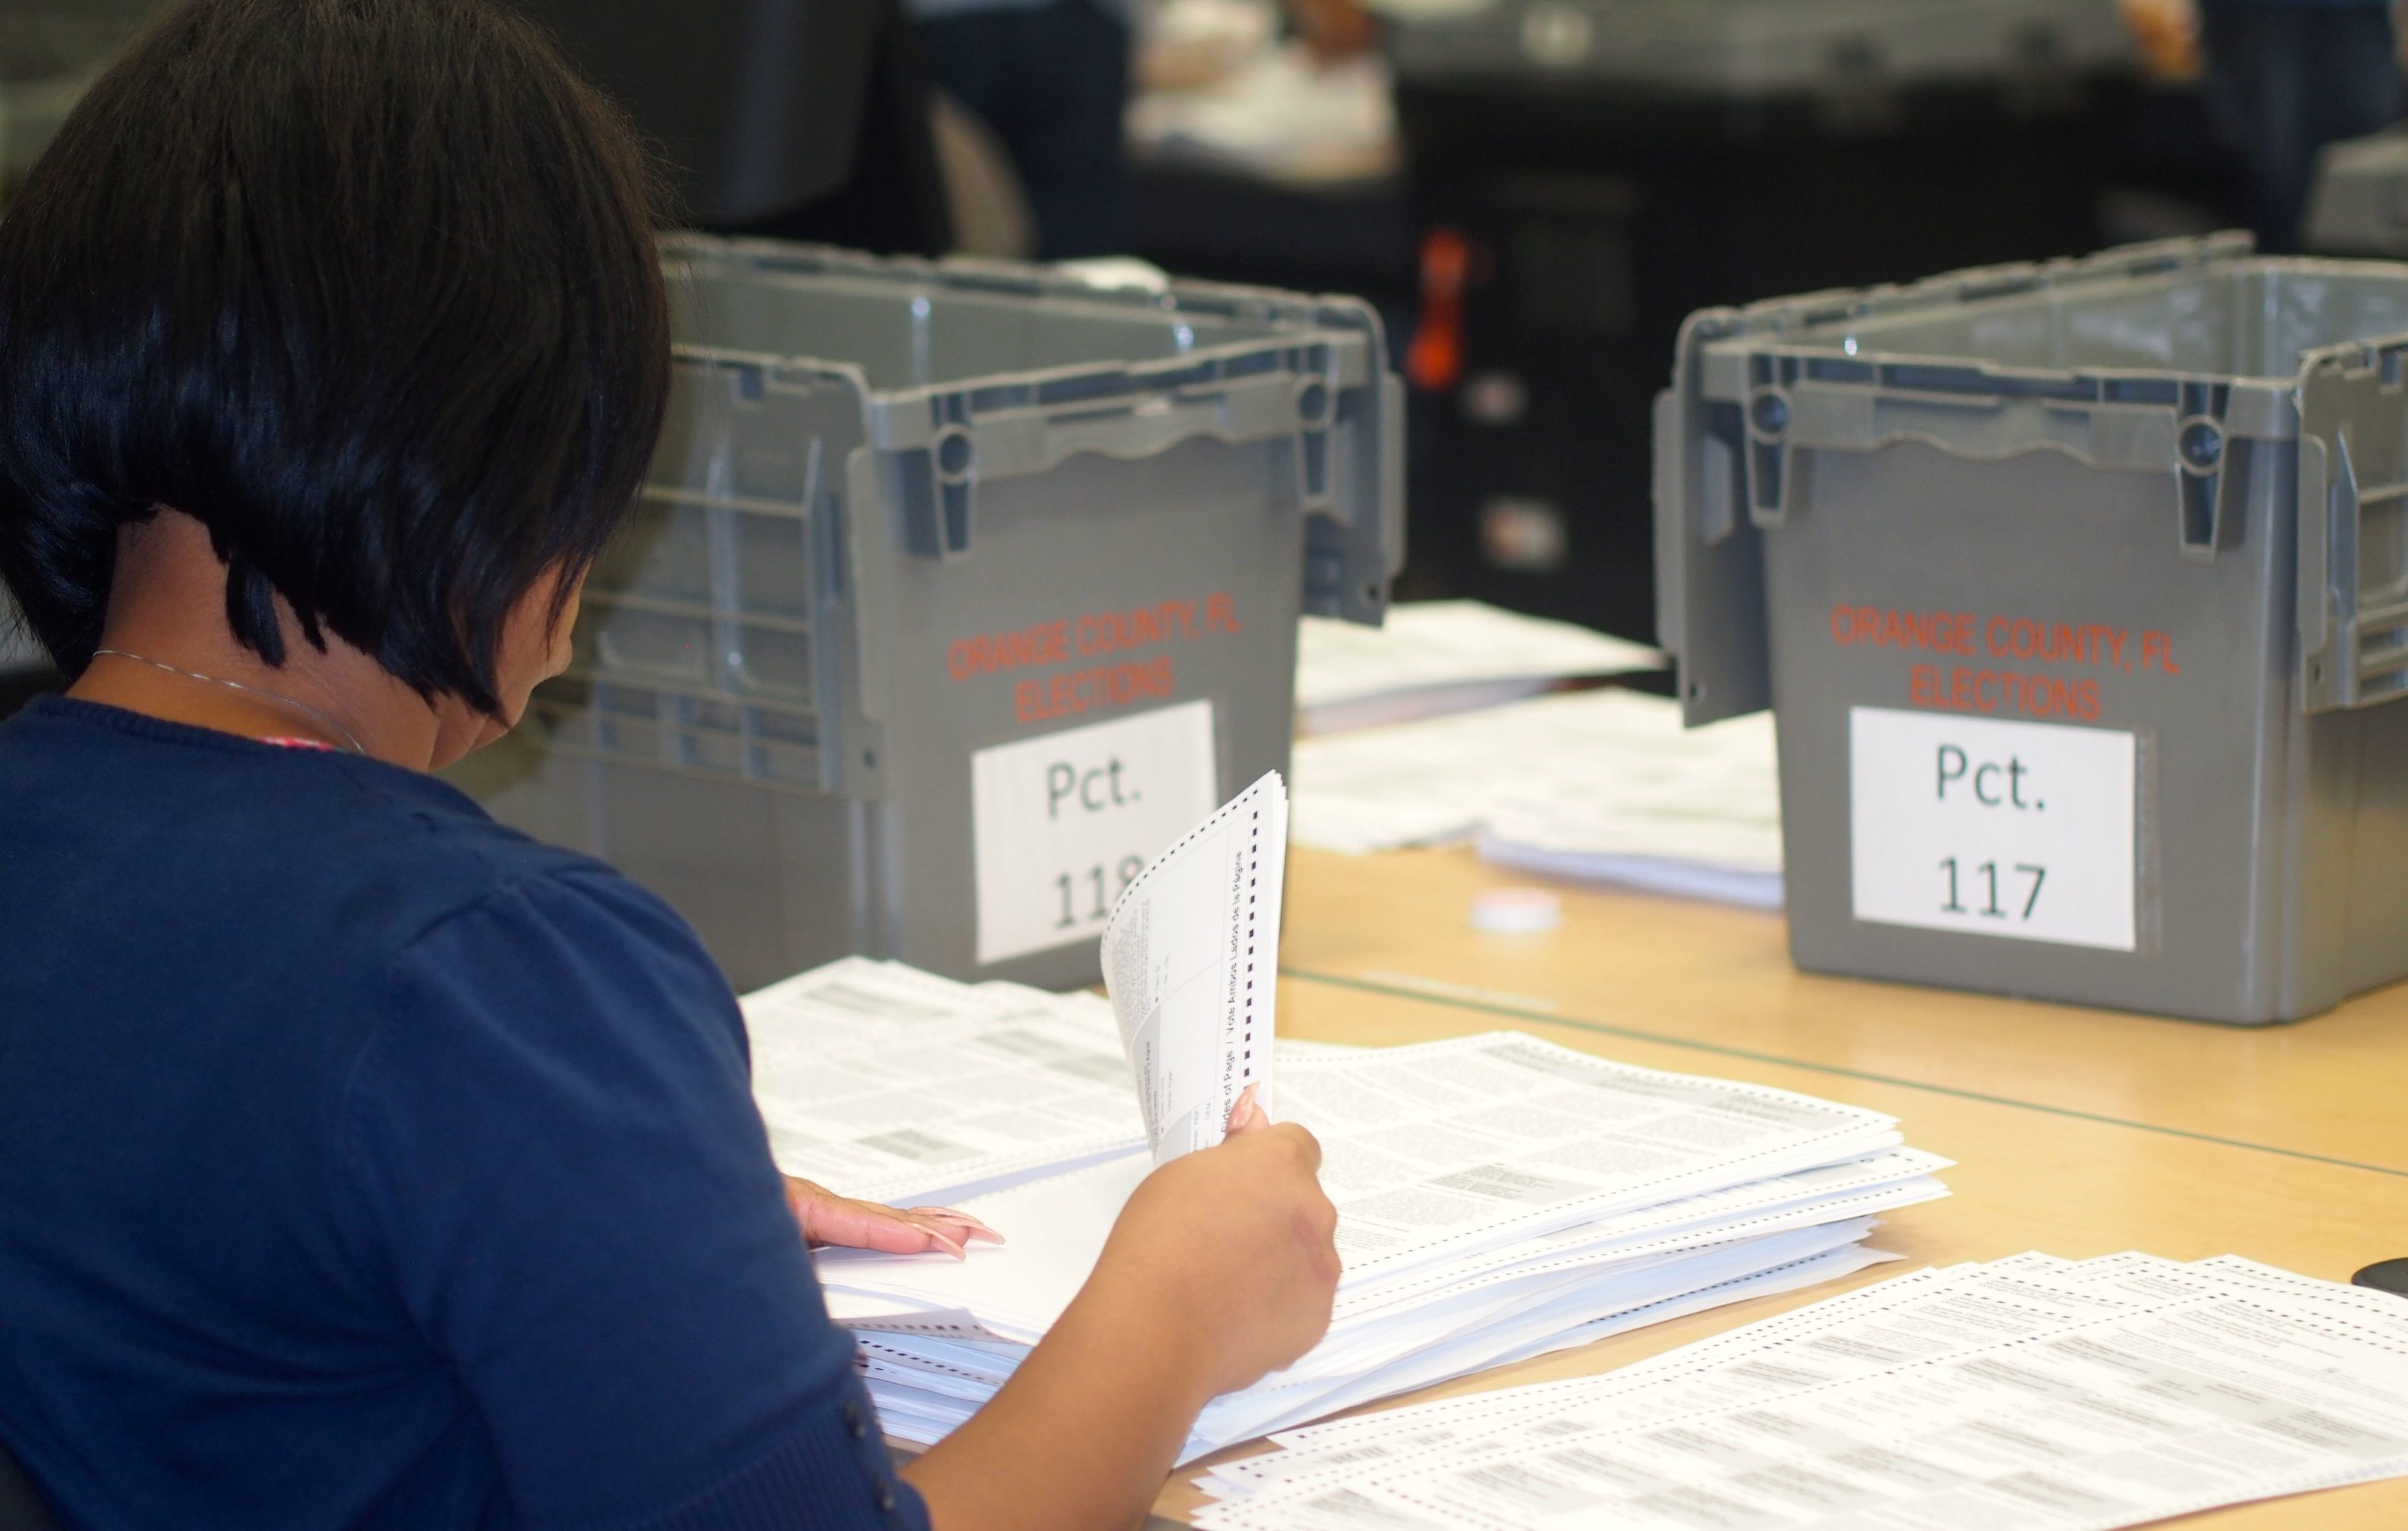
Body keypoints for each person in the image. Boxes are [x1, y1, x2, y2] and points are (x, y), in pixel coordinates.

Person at [0, 4, 1340, 1530]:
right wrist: (1171, 1305)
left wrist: (590, 1208)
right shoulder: (491, 974)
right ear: (498, 456)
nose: (567, 635)